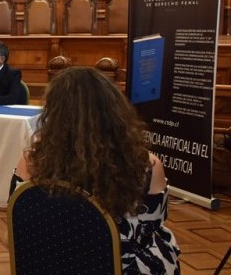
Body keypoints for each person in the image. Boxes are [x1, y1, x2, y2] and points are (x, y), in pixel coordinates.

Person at [10, 67, 180, 274]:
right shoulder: (146, 166)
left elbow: (17, 230)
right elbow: (149, 230)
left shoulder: (31, 162)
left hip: (46, 264)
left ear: (53, 114)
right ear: (115, 109)